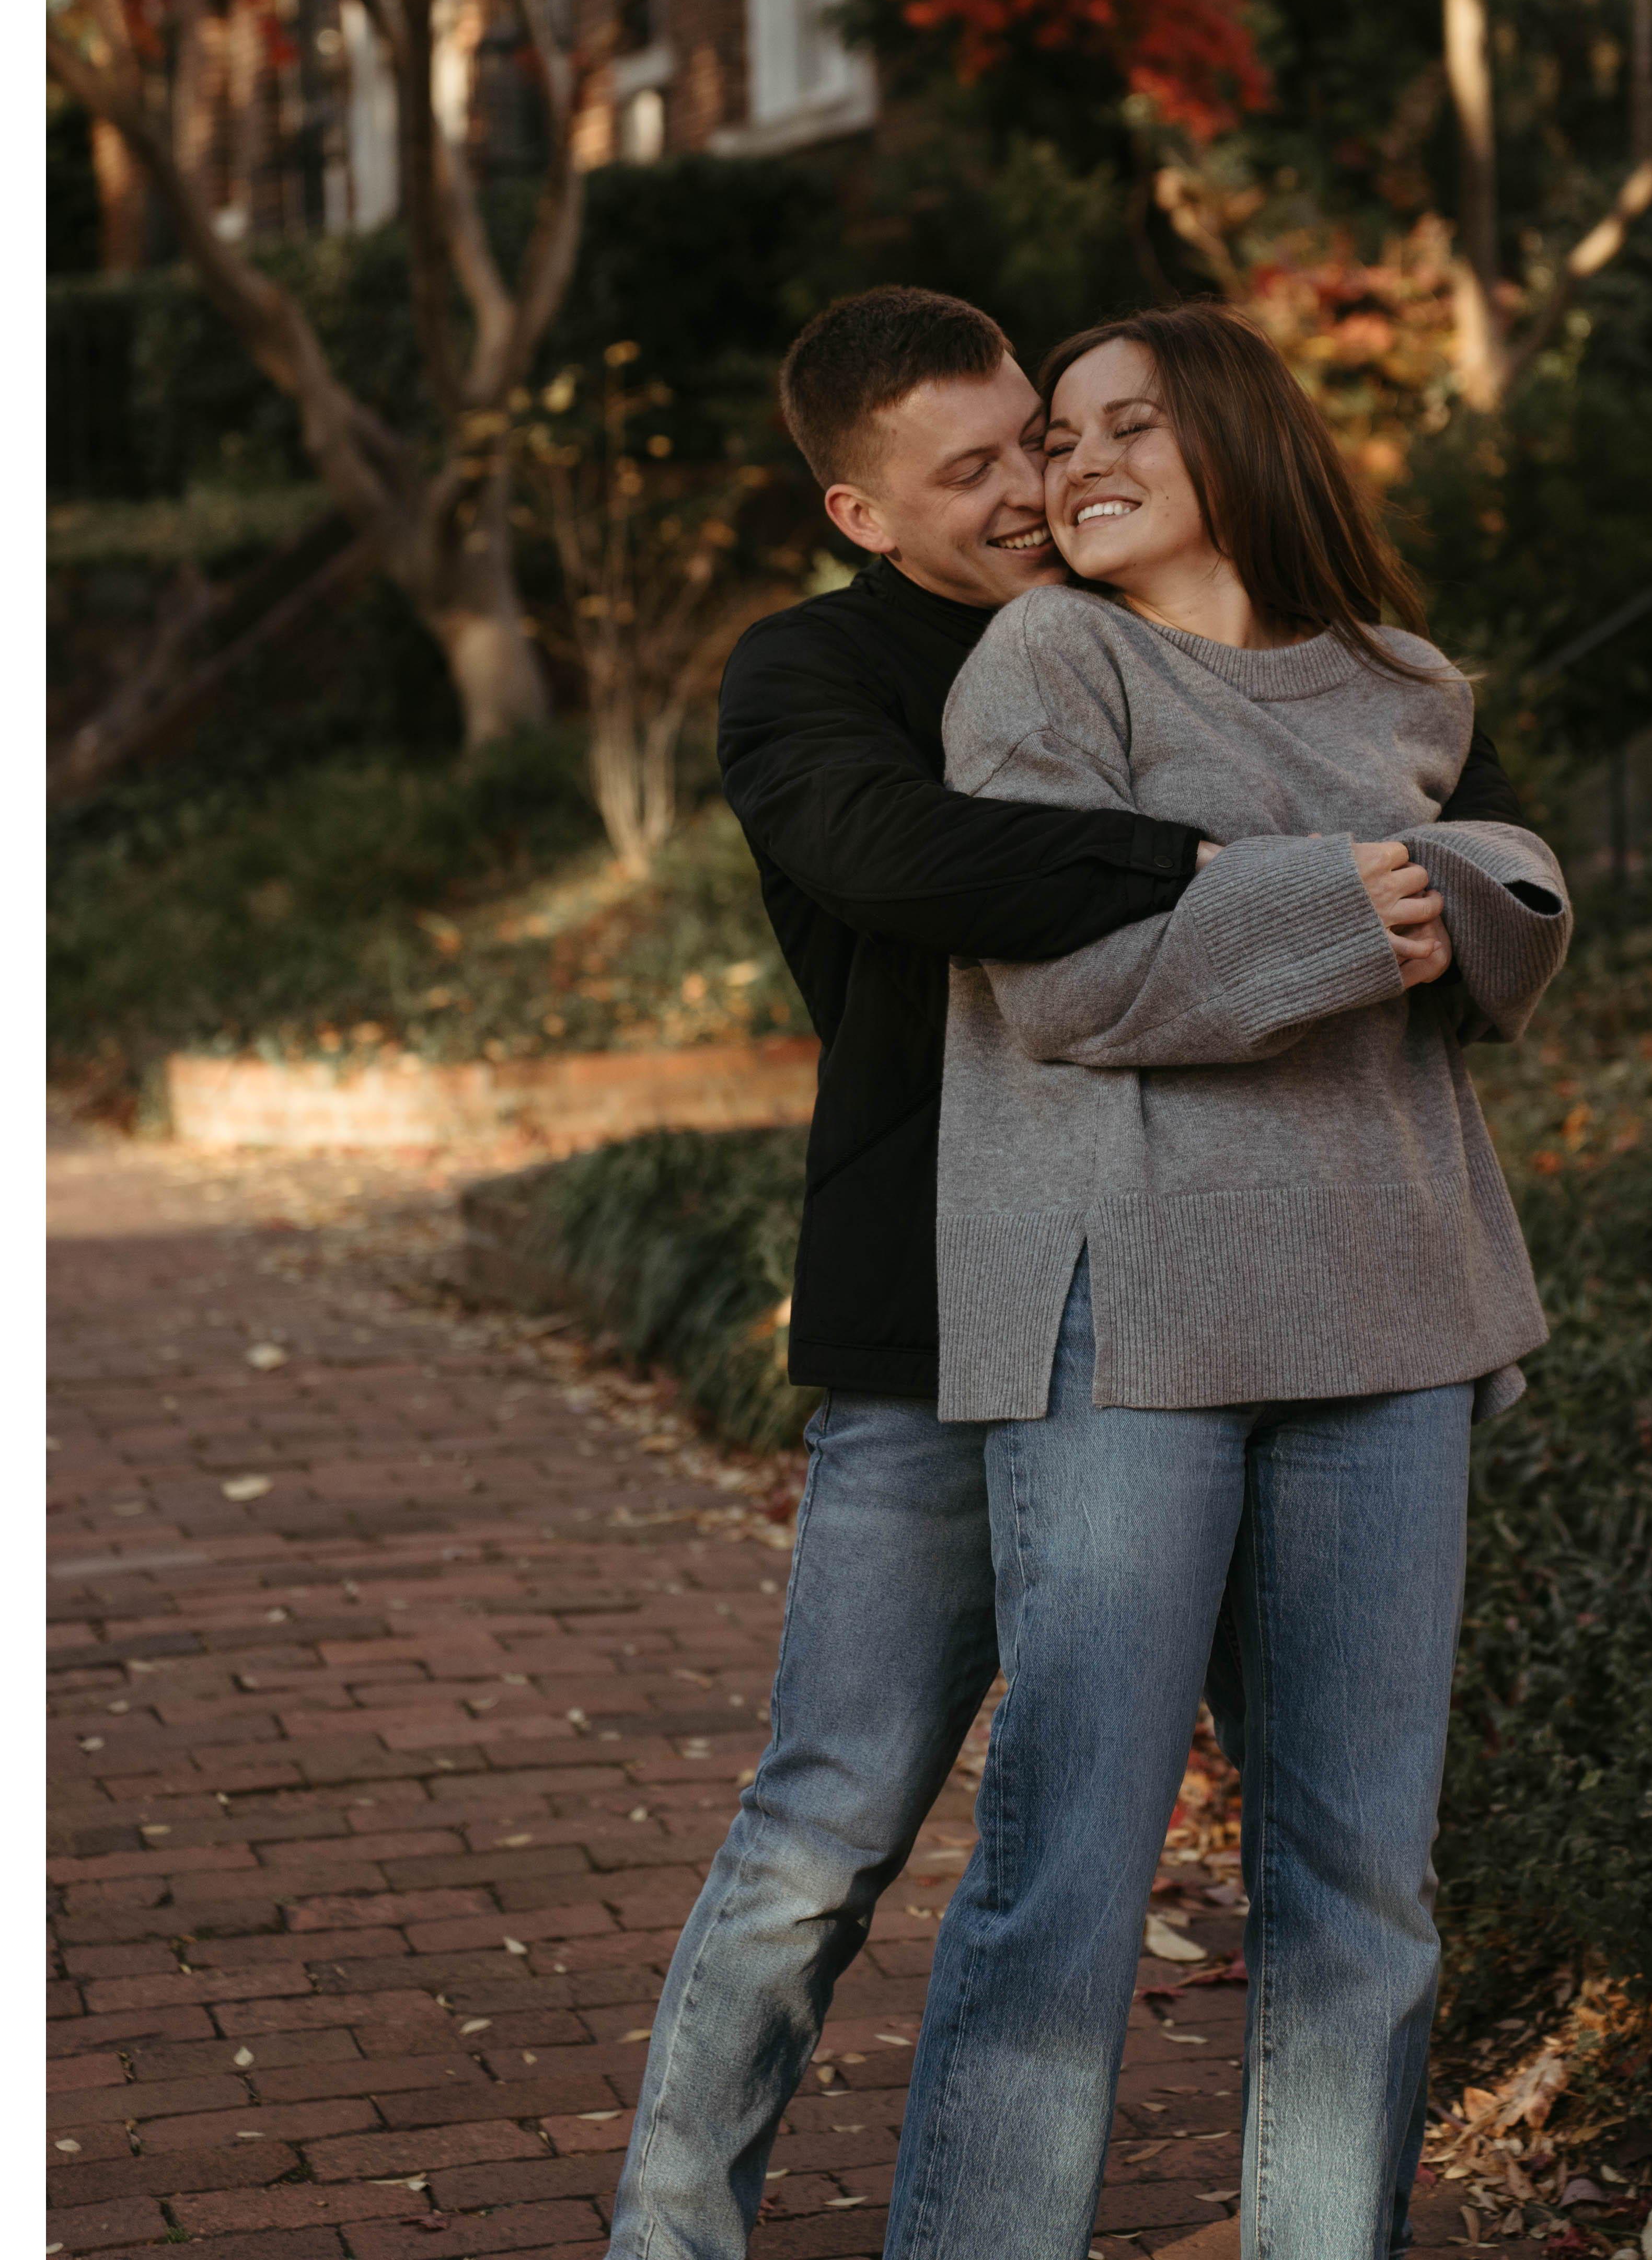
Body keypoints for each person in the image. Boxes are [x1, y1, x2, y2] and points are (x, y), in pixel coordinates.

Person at [606, 287, 1532, 2260]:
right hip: (953, 1310)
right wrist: (1245, 877)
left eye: (1043, 436)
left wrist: (1439, 895)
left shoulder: (1326, 659)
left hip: (1243, 1289)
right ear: (864, 513)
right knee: (831, 1828)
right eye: (985, 469)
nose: (1040, 484)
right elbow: (915, 867)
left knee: (1333, 1853)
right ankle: (666, 2242)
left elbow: (1457, 876)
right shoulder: (824, 672)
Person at [880, 303, 1572, 2260]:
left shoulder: (1404, 681)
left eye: (1129, 425)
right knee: (1070, 1873)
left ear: (1240, 440)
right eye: (1058, 436)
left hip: (1395, 1310)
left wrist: (1467, 888)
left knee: (1366, 1893)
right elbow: (1066, 986)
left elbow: (1496, 913)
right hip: (1134, 1323)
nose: (1074, 465)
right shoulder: (1052, 658)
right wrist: (1340, 904)